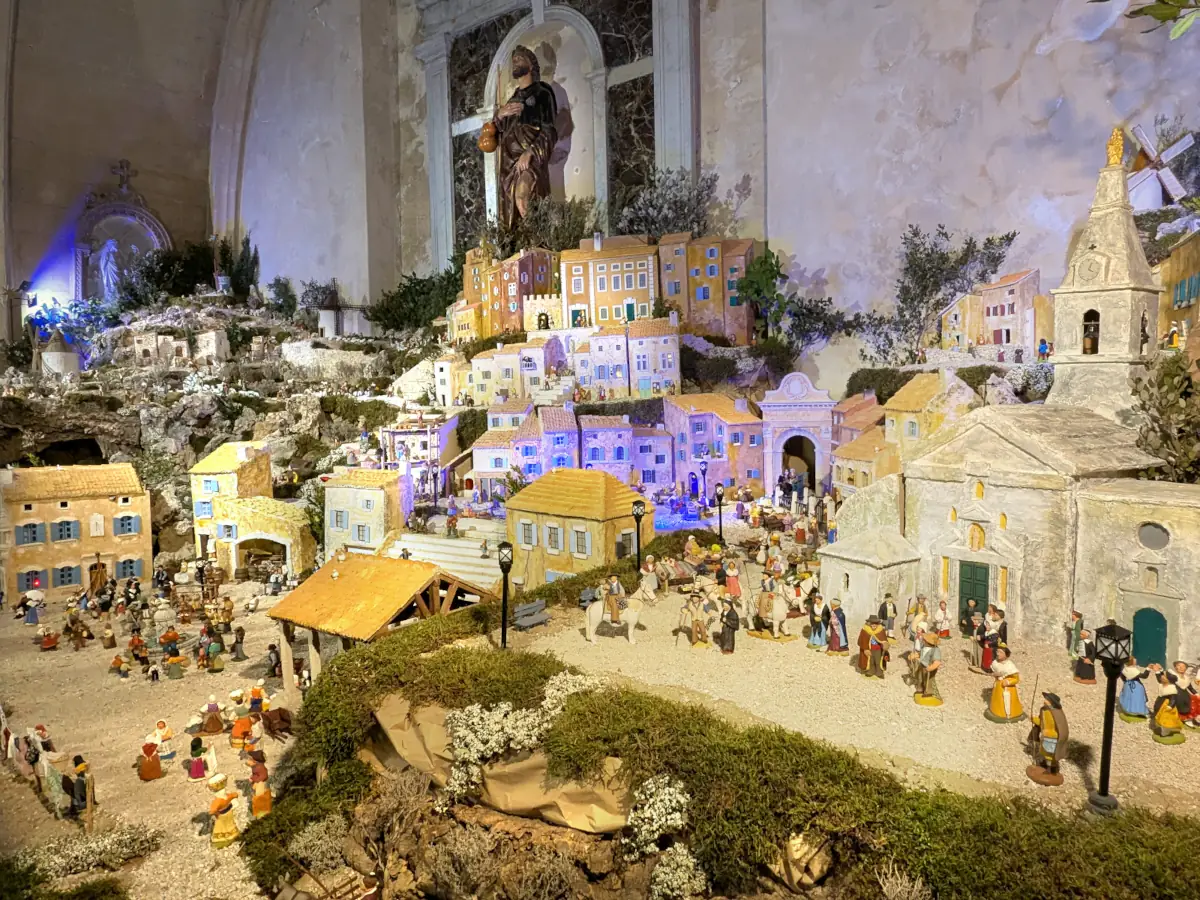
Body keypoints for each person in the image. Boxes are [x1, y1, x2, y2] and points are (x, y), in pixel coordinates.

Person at [491, 46, 558, 229]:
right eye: (514, 60)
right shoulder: (511, 102)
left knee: (523, 197)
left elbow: (550, 131)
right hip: (508, 165)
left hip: (529, 161)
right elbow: (496, 137)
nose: (515, 62)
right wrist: (499, 115)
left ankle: (537, 242)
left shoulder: (542, 93)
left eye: (520, 58)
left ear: (531, 65)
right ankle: (521, 244)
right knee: (511, 216)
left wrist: (531, 152)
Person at [1027, 693, 1069, 785]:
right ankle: (1047, 766)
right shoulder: (1044, 711)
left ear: (1051, 702)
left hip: (1052, 737)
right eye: (1045, 699)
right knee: (1046, 753)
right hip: (1045, 737)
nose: (1045, 701)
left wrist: (1053, 734)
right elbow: (1042, 723)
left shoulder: (1056, 713)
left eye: (1047, 699)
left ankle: (1051, 770)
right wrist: (1033, 719)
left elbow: (1060, 726)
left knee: (1051, 754)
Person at [986, 645, 1025, 723]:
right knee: (997, 701)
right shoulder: (995, 663)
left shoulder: (1010, 666)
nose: (998, 654)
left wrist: (1008, 682)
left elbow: (1016, 679)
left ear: (1006, 654)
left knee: (1007, 702)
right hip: (998, 687)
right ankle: (996, 711)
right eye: (997, 651)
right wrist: (995, 675)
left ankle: (1008, 714)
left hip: (1007, 689)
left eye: (1000, 652)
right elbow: (995, 672)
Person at [1150, 672, 1186, 745]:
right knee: (1160, 717)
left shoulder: (1171, 688)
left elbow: (1173, 699)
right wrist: (1157, 672)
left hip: (1167, 706)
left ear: (1169, 679)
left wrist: (1170, 706)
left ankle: (1165, 731)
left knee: (1166, 719)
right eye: (1163, 675)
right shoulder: (1162, 685)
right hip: (1161, 704)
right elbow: (1159, 679)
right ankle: (1162, 728)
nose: (1162, 677)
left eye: (1165, 676)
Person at [207, 774, 241, 848]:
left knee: (221, 827)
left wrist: (216, 813)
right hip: (228, 812)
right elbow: (235, 795)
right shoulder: (226, 796)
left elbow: (212, 811)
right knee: (229, 824)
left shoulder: (217, 801)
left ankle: (222, 841)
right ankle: (232, 836)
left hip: (222, 815)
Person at [914, 632, 942, 706]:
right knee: (920, 678)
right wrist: (914, 656)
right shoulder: (924, 647)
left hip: (929, 667)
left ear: (928, 641)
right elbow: (921, 654)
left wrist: (931, 667)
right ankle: (920, 689)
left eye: (925, 640)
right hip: (922, 665)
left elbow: (937, 662)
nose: (923, 640)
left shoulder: (935, 650)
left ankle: (929, 692)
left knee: (928, 680)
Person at [247, 749, 272, 818]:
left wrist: (254, 779)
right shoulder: (257, 766)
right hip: (258, 782)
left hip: (260, 783)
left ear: (255, 761)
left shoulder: (259, 767)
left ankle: (261, 812)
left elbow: (263, 776)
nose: (249, 760)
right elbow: (257, 774)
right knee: (258, 795)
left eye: (251, 759)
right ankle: (260, 811)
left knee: (259, 796)